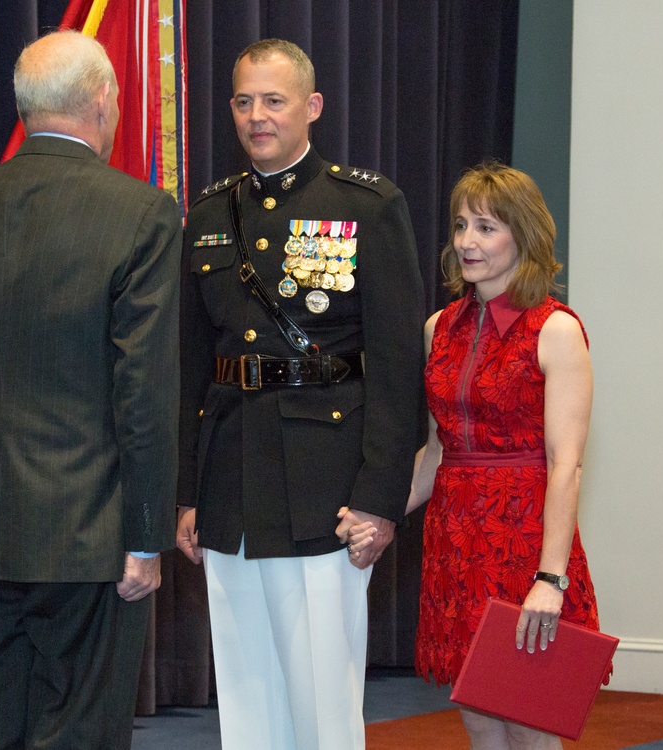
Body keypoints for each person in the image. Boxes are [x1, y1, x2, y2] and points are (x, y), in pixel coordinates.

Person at [0, 30, 182, 750]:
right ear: (105, 102)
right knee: (78, 732)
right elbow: (141, 392)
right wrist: (146, 535)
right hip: (92, 537)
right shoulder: (139, 214)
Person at [176, 39, 424, 749]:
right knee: (247, 690)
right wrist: (185, 491)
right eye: (244, 101)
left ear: (311, 107)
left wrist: (381, 500)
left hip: (327, 483)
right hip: (230, 478)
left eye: (274, 100)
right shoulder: (209, 213)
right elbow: (191, 365)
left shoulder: (365, 206)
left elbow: (398, 365)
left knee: (322, 691)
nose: (258, 116)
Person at [403, 162, 602, 749]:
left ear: (524, 235)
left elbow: (567, 464)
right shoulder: (439, 326)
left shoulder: (556, 329)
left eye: (486, 227)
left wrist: (550, 578)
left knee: (530, 726)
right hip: (454, 540)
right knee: (481, 720)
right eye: (461, 225)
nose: (467, 241)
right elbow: (438, 452)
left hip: (524, 544)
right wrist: (375, 516)